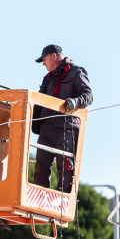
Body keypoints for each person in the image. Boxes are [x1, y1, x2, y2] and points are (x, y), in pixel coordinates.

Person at [32, 44, 93, 193]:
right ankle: (40, 198)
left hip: (65, 127)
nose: (44, 63)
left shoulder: (76, 72)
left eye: (44, 59)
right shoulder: (48, 78)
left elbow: (88, 96)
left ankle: (61, 202)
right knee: (41, 166)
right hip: (46, 128)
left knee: (65, 168)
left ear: (54, 56)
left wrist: (75, 102)